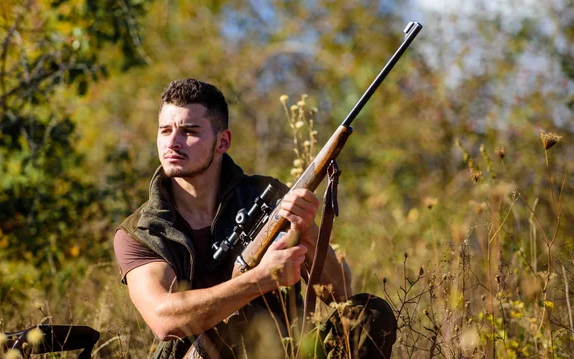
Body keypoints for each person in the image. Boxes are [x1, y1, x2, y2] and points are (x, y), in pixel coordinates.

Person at [113, 78, 397, 358]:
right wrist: (262, 279)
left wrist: (306, 231)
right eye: (165, 131)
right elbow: (164, 319)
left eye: (189, 131)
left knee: (369, 314)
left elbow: (340, 293)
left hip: (285, 350)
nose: (173, 142)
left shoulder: (267, 197)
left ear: (222, 141)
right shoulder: (141, 231)